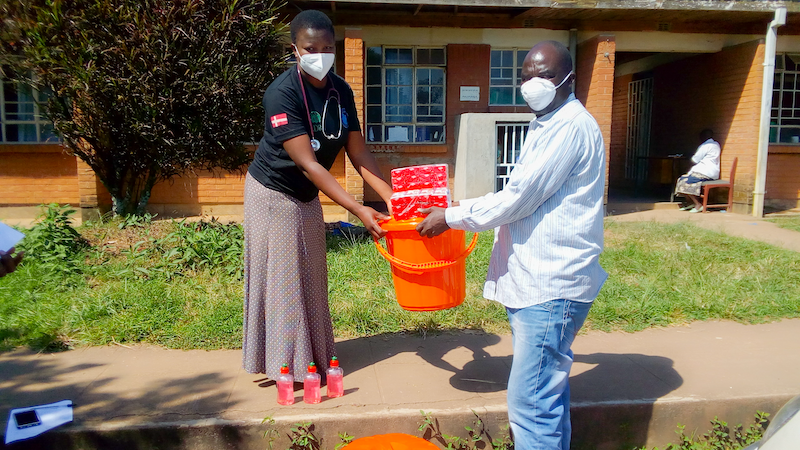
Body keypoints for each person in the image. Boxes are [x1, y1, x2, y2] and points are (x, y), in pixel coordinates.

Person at [416, 40, 607, 450]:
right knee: (545, 395)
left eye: (545, 74)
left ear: (569, 79)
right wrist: (461, 206)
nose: (533, 83)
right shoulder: (548, 123)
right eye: (526, 75)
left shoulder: (570, 127)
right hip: (539, 281)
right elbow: (520, 191)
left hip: (551, 286)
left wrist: (450, 216)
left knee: (531, 404)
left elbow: (518, 199)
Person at [243, 10, 393, 380]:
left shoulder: (341, 90)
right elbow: (309, 163)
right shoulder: (282, 93)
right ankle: (286, 366)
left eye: (328, 48)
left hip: (307, 193)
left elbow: (358, 152)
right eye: (312, 48)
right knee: (283, 278)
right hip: (273, 192)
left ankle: (314, 356)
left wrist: (391, 197)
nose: (320, 55)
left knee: (312, 274)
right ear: (296, 49)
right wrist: (358, 209)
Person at [674, 129, 721, 213]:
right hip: (712, 172)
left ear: (704, 137)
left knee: (685, 181)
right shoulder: (716, 144)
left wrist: (689, 156)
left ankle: (698, 204)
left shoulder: (705, 146)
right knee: (683, 179)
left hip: (705, 172)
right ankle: (691, 202)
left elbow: (695, 159)